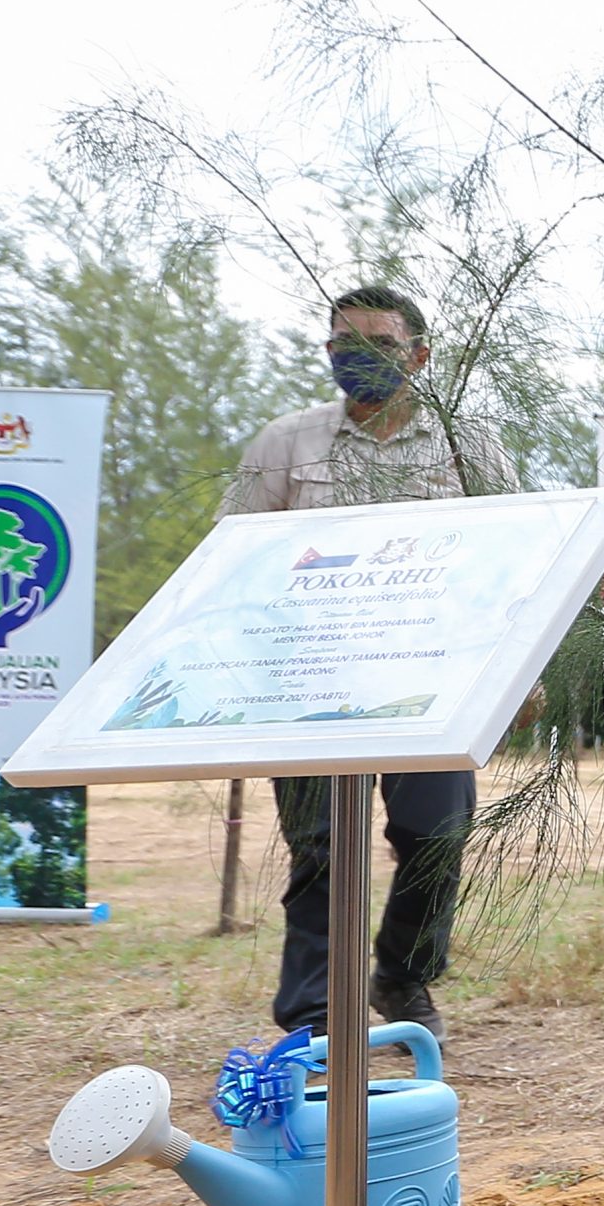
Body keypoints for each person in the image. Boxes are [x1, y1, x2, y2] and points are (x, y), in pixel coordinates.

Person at [220, 284, 516, 1045]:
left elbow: (514, 564)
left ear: (419, 355)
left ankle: (402, 976)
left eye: (379, 345)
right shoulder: (286, 444)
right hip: (313, 682)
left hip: (433, 682)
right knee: (321, 852)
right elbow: (231, 561)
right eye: (341, 344)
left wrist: (521, 672)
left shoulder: (468, 446)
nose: (357, 358)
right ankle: (313, 1020)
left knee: (438, 835)